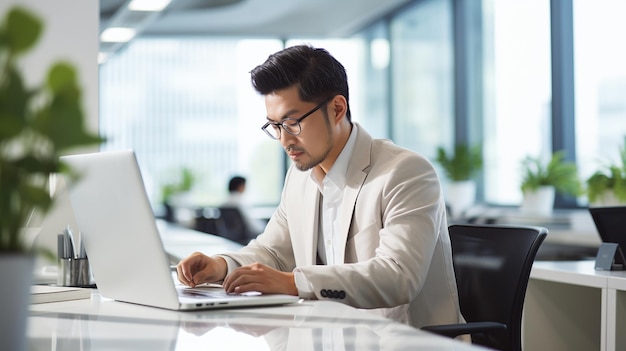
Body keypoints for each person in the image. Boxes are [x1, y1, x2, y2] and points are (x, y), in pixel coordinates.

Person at [177, 44, 463, 329]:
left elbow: (398, 276)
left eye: (292, 122)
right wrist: (221, 266)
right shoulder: (300, 177)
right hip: (333, 336)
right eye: (274, 126)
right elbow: (273, 252)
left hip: (407, 341)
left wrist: (293, 282)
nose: (284, 140)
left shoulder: (404, 172)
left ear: (337, 109)